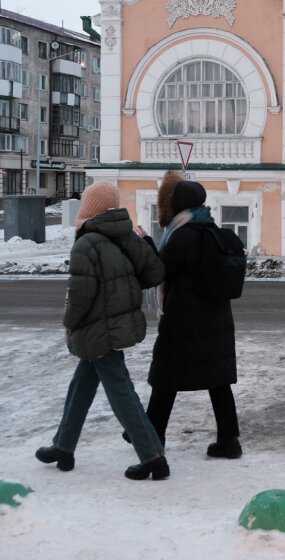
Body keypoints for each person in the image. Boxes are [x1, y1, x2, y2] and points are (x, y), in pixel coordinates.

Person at [36, 180, 169, 480]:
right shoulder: (125, 234)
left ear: (90, 207)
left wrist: (69, 322)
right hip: (114, 326)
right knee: (82, 384)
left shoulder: (86, 243)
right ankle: (64, 447)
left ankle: (153, 457)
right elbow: (155, 272)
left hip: (97, 329)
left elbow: (80, 294)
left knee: (121, 393)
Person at [138, 173, 242, 458]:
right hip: (217, 321)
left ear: (178, 206)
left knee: (165, 380)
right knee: (218, 380)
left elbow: (159, 271)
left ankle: (151, 438)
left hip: (184, 323)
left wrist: (147, 243)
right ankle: (229, 441)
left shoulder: (181, 237)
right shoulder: (213, 232)